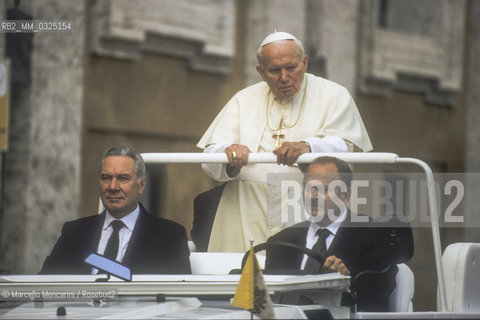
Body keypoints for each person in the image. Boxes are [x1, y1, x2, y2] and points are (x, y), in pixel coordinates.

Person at [197, 31, 373, 252]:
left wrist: (308, 147)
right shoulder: (243, 99)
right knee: (242, 278)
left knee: (295, 272)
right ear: (261, 72)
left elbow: (344, 148)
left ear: (305, 62)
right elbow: (210, 157)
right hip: (246, 206)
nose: (284, 77)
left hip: (304, 205)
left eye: (291, 68)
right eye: (274, 70)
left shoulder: (334, 96)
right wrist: (229, 153)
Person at [264, 156, 413, 312]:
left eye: (323, 189)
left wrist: (345, 277)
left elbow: (379, 292)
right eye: (308, 187)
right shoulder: (280, 242)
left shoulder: (374, 234)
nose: (313, 196)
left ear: (345, 196)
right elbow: (270, 302)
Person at [40, 146, 191, 275]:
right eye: (106, 178)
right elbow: (44, 284)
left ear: (142, 185)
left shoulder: (169, 236)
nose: (112, 187)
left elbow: (178, 295)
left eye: (123, 178)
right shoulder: (74, 232)